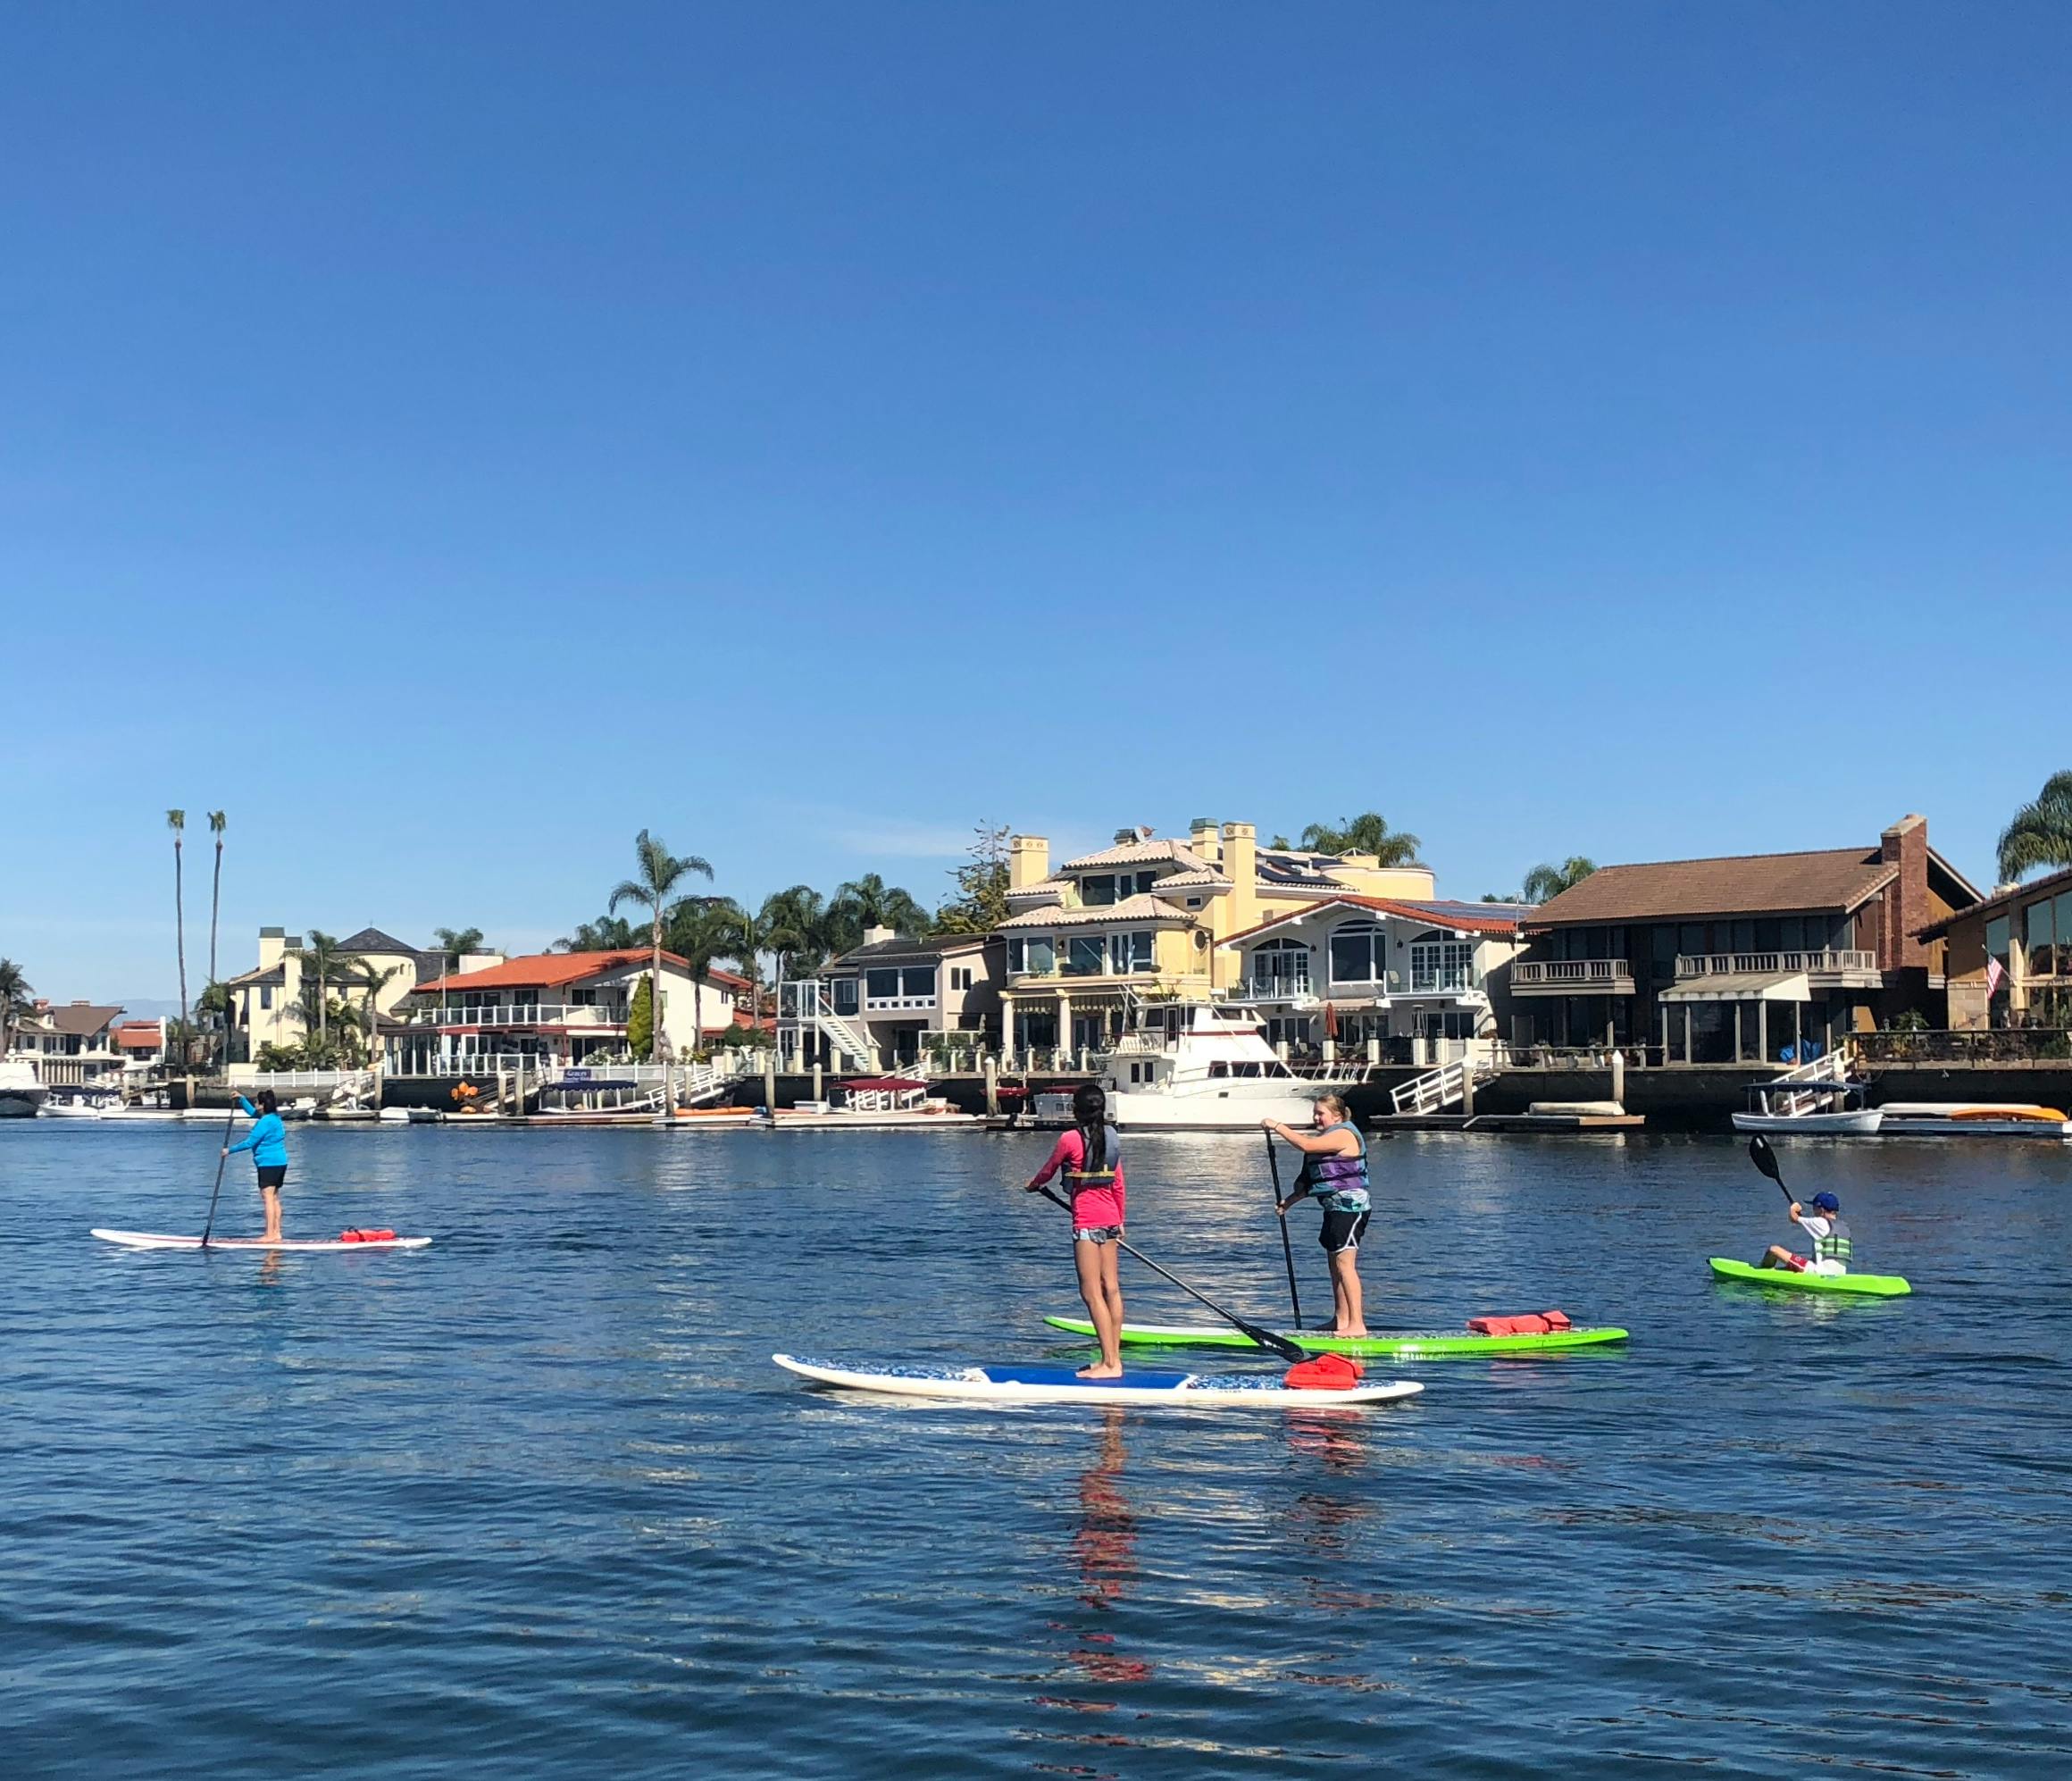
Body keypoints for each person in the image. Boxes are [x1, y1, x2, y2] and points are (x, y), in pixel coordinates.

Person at [1027, 1083, 1126, 1379]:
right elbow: (1118, 1183)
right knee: (1112, 1288)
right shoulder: (1112, 1137)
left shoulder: (1069, 1139)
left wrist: (1033, 1185)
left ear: (1075, 1111)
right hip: (1110, 1220)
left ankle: (1110, 1364)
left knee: (1091, 1292)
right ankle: (1113, 1360)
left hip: (1086, 1223)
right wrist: (1121, 1220)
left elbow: (1048, 1170)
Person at [1263, 1092, 1371, 1336]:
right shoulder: (1329, 1137)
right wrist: (1288, 1202)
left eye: (1320, 1113)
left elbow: (1306, 1145)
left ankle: (1357, 1324)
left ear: (1337, 1116)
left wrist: (1277, 1126)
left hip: (1351, 1208)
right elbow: (1318, 1183)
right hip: (1334, 1208)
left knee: (1345, 1265)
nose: (1316, 1117)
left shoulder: (1344, 1134)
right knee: (1335, 1265)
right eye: (1315, 1112)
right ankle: (1341, 1320)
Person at [223, 1089, 290, 1243]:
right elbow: (252, 1112)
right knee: (274, 1198)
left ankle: (269, 1235)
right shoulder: (274, 1118)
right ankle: (277, 1233)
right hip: (280, 1162)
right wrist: (241, 1099)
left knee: (267, 1199)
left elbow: (250, 1142)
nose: (255, 1105)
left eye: (256, 1102)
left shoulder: (264, 1122)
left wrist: (229, 1151)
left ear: (262, 1105)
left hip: (268, 1164)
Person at [1761, 1191, 1851, 1275]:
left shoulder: (1820, 1222)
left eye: (1814, 1208)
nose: (1813, 1211)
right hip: (1840, 1274)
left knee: (1774, 1250)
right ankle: (1776, 1272)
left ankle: (1762, 1274)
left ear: (1822, 1210)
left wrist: (1793, 1208)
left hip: (1819, 1273)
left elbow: (1794, 1218)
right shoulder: (1845, 1227)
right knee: (1793, 1266)